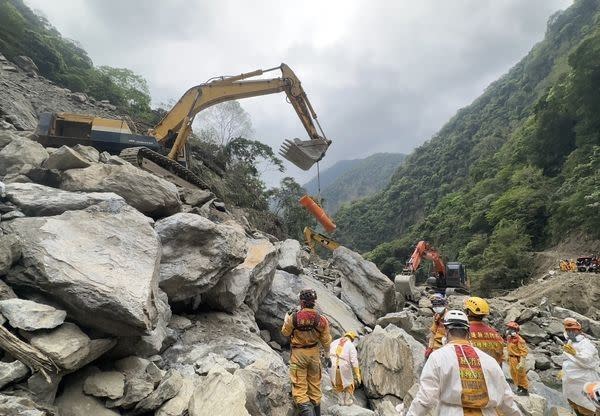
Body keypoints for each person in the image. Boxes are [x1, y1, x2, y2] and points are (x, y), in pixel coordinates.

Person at [404, 310, 522, 415]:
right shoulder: (489, 360)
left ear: (446, 330)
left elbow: (426, 398)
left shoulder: (438, 357)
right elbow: (507, 400)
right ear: (468, 331)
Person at [282, 288, 332, 416]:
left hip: (298, 355)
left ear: (302, 302)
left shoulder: (294, 317)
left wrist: (286, 317)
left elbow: (285, 332)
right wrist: (327, 356)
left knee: (299, 389)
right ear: (313, 302)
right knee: (315, 388)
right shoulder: (322, 320)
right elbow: (326, 341)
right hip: (314, 355)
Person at [561, 318, 600, 416]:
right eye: (568, 330)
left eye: (573, 330)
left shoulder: (586, 344)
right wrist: (563, 372)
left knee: (587, 407)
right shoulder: (570, 342)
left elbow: (588, 360)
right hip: (570, 381)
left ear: (579, 330)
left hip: (583, 379)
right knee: (574, 404)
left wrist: (575, 354)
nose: (570, 332)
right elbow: (566, 358)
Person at [464, 296, 504, 366]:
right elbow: (500, 358)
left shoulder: (462, 332)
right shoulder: (496, 335)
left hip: (470, 373)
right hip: (491, 373)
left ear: (468, 312)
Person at [329, 330, 361, 406]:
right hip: (342, 365)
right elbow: (354, 361)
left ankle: (340, 401)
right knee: (350, 384)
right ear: (352, 338)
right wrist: (357, 374)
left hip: (331, 365)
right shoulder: (350, 345)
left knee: (336, 384)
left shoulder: (334, 342)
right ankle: (347, 400)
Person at [505, 321, 530, 396]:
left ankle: (524, 389)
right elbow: (508, 348)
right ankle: (519, 387)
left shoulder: (520, 340)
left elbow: (524, 351)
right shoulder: (510, 339)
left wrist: (522, 362)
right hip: (511, 358)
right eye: (508, 328)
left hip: (517, 359)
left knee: (520, 374)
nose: (509, 330)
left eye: (511, 329)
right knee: (514, 374)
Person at [425, 293, 448, 359]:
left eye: (439, 304)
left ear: (444, 304)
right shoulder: (436, 316)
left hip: (445, 346)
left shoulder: (448, 316)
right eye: (434, 305)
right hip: (436, 347)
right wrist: (430, 347)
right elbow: (433, 333)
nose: (437, 307)